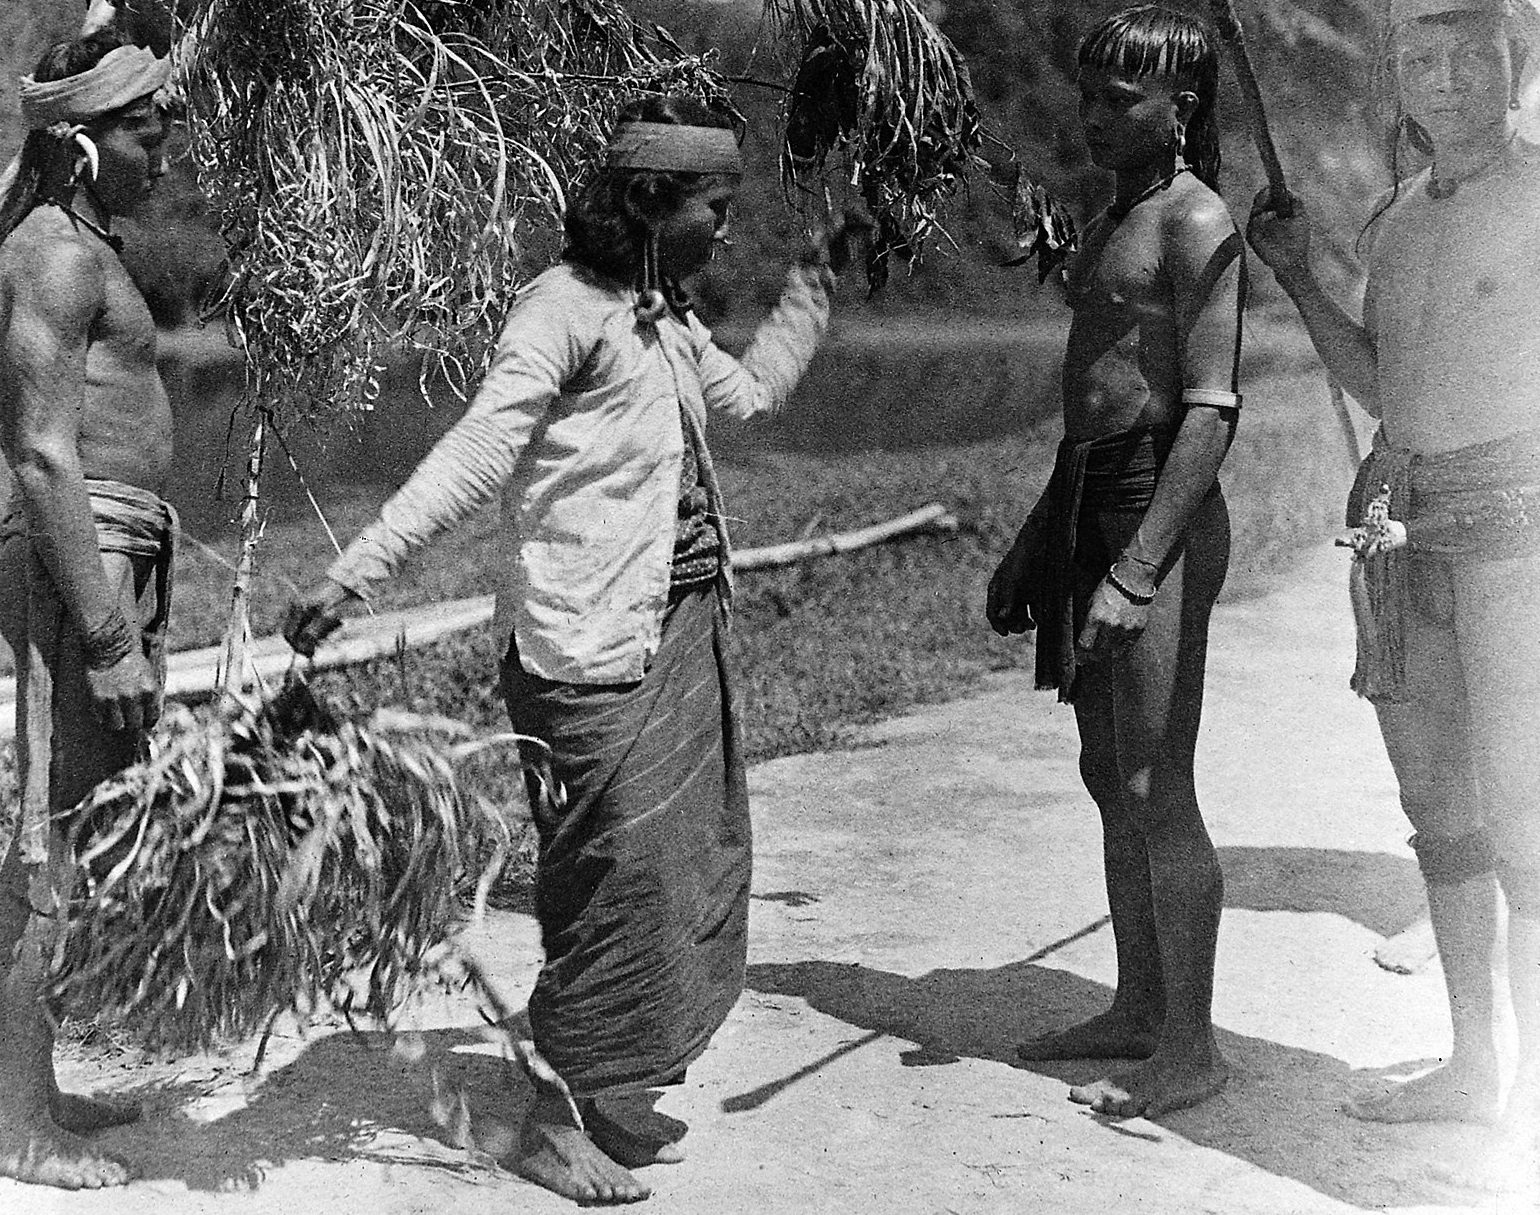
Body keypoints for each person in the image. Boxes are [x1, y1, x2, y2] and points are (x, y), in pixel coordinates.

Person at [284, 95, 864, 1205]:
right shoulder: (560, 310)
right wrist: (355, 573)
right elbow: (477, 451)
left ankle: (606, 1088)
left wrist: (814, 280)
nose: (724, 232)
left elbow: (748, 396)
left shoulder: (662, 317)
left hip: (674, 630)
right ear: (649, 202)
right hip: (582, 644)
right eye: (713, 209)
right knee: (611, 878)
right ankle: (552, 1120)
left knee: (683, 868)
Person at [1247, 0, 1540, 1177]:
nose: (1450, 76)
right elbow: (1382, 381)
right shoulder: (1398, 220)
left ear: (1515, 60)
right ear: (1400, 76)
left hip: (1522, 526)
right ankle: (1473, 1066)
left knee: (1530, 818)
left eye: (1475, 52)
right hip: (1400, 522)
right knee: (1441, 815)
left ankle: (1538, 1101)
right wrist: (1296, 276)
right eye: (1424, 58)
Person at [985, 5, 1244, 1120]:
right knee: (1106, 772)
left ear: (1178, 107)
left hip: (1156, 507)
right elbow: (1094, 398)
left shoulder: (1196, 222)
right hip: (1090, 494)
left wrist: (1137, 570)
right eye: (1086, 95)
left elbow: (1208, 412)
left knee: (1155, 780)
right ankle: (1139, 1006)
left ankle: (1192, 1044)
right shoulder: (1113, 215)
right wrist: (1038, 538)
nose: (1092, 116)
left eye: (1118, 100)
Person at [0, 25, 173, 1191]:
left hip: (115, 546)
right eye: (144, 132)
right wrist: (107, 632)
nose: (164, 151)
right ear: (81, 143)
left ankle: (31, 1085)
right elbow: (43, 453)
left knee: (84, 820)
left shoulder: (86, 245)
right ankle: (16, 1121)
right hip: (80, 555)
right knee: (50, 833)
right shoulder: (54, 257)